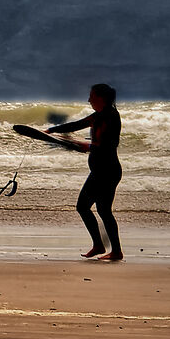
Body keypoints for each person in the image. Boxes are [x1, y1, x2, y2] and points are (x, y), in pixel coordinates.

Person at [47, 83, 123, 261]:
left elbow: (109, 144)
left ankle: (103, 246)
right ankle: (112, 250)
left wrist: (87, 146)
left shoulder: (111, 116)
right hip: (104, 171)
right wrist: (51, 130)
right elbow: (76, 125)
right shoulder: (98, 116)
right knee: (103, 210)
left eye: (92, 96)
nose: (89, 100)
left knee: (83, 207)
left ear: (101, 98)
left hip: (106, 171)